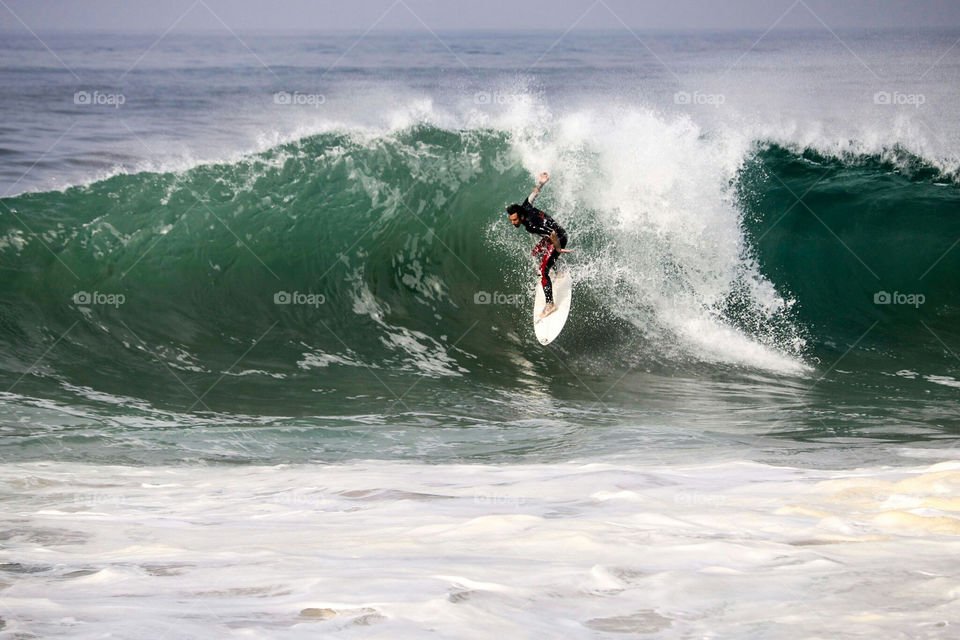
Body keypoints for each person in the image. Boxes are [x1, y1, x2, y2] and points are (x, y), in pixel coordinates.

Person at [506, 172, 572, 318]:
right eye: (511, 220)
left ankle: (550, 304)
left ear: (521, 217)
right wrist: (541, 182)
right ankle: (558, 270)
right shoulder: (525, 206)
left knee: (543, 271)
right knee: (536, 253)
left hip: (557, 237)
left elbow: (552, 234)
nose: (513, 223)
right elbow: (534, 193)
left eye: (515, 220)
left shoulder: (530, 225)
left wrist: (558, 249)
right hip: (554, 236)